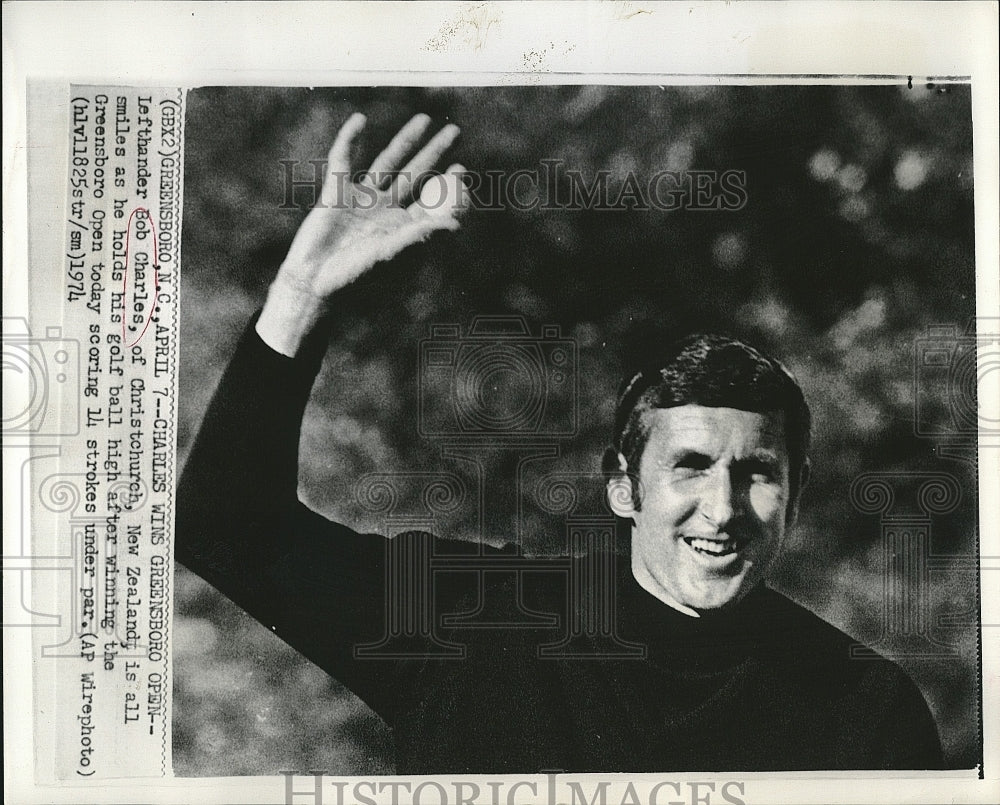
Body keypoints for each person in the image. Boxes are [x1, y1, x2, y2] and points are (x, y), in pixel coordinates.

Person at [176, 112, 944, 773]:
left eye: (757, 473)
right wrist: (300, 298)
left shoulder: (865, 709)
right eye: (690, 465)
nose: (723, 507)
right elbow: (225, 528)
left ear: (797, 492)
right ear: (622, 486)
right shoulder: (475, 620)